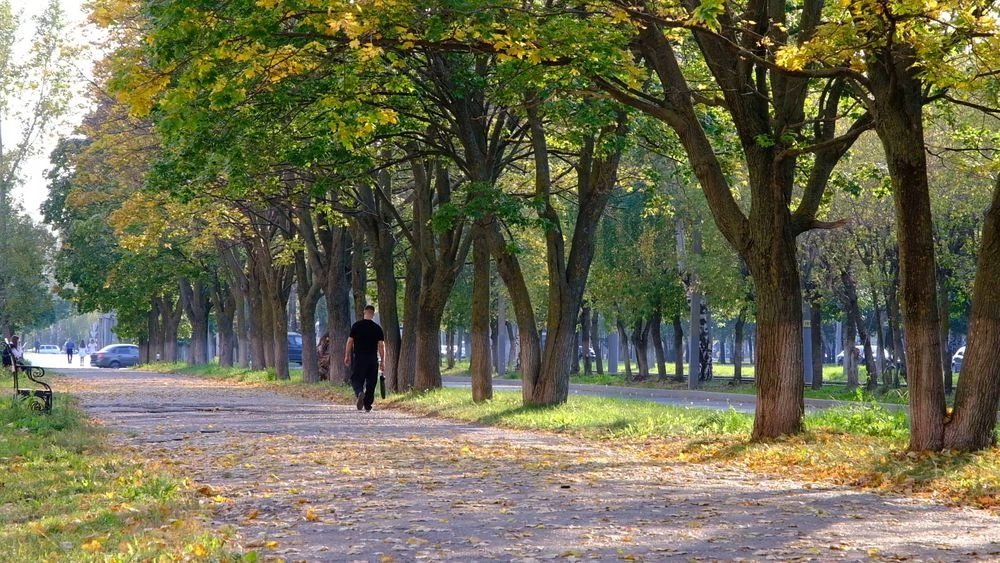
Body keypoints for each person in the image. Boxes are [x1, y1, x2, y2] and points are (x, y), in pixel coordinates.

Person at [344, 305, 385, 412]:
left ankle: (359, 393)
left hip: (359, 358)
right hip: (372, 359)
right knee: (371, 382)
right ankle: (367, 404)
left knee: (356, 379)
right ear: (373, 313)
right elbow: (381, 345)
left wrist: (347, 355)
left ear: (364, 312)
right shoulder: (377, 328)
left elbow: (350, 342)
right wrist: (382, 360)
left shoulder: (356, 326)